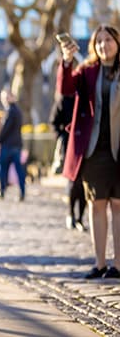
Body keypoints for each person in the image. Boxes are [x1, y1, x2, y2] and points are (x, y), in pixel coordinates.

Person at [58, 24, 120, 279]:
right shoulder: (87, 71)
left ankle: (118, 265)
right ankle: (100, 263)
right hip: (94, 150)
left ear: (117, 42)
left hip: (119, 150)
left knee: (118, 206)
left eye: (108, 40)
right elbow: (65, 88)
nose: (103, 45)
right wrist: (67, 59)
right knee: (97, 206)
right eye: (99, 41)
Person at [50, 92, 86, 231]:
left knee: (83, 183)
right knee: (73, 182)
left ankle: (80, 218)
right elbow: (54, 122)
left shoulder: (86, 97)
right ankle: (70, 213)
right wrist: (62, 136)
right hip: (69, 147)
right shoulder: (63, 100)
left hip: (84, 144)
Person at [0, 88, 27, 201]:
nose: (4, 99)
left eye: (6, 97)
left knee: (3, 169)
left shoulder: (10, 111)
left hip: (8, 145)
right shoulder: (18, 111)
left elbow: (5, 129)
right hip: (17, 144)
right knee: (19, 170)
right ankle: (22, 191)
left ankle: (2, 191)